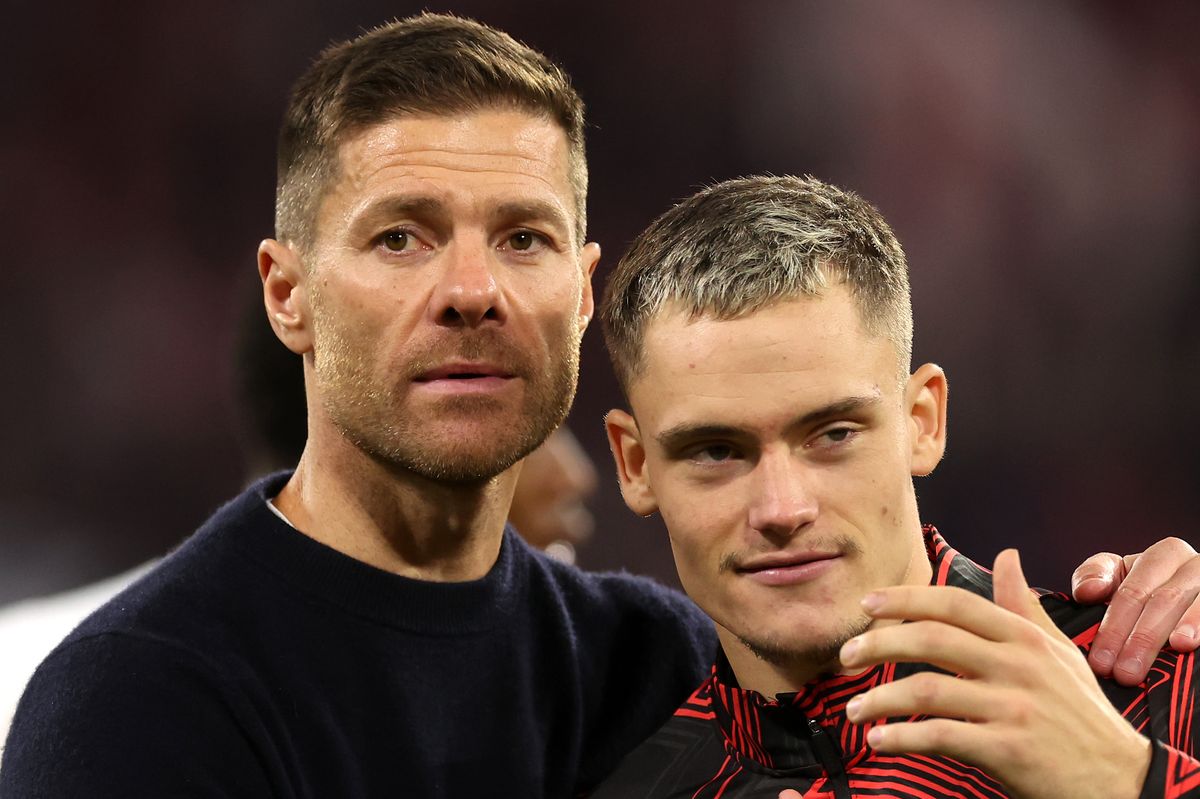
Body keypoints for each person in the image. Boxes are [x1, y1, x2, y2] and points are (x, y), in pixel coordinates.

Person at [0, 15, 1195, 797]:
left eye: (521, 238)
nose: (470, 292)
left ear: (578, 292)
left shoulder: (650, 660)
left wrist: (1137, 773)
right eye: (402, 235)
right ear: (287, 291)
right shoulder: (143, 699)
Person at [592, 175, 1199, 797]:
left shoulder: (1160, 680)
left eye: (833, 434)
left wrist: (1129, 781)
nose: (782, 508)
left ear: (922, 422)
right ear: (635, 466)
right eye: (716, 451)